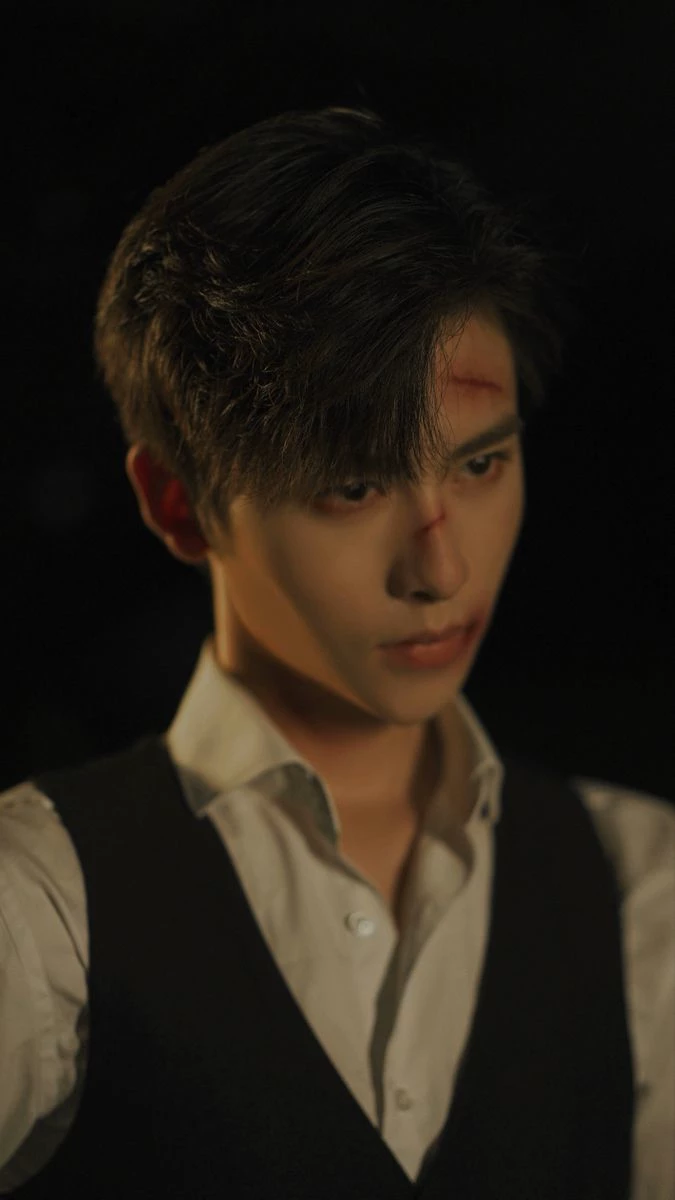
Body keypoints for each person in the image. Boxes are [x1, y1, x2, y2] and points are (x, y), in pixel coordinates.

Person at [0, 105, 672, 1199]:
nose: (441, 567)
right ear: (178, 503)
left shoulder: (641, 887)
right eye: (353, 487)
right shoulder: (39, 906)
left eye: (480, 464)